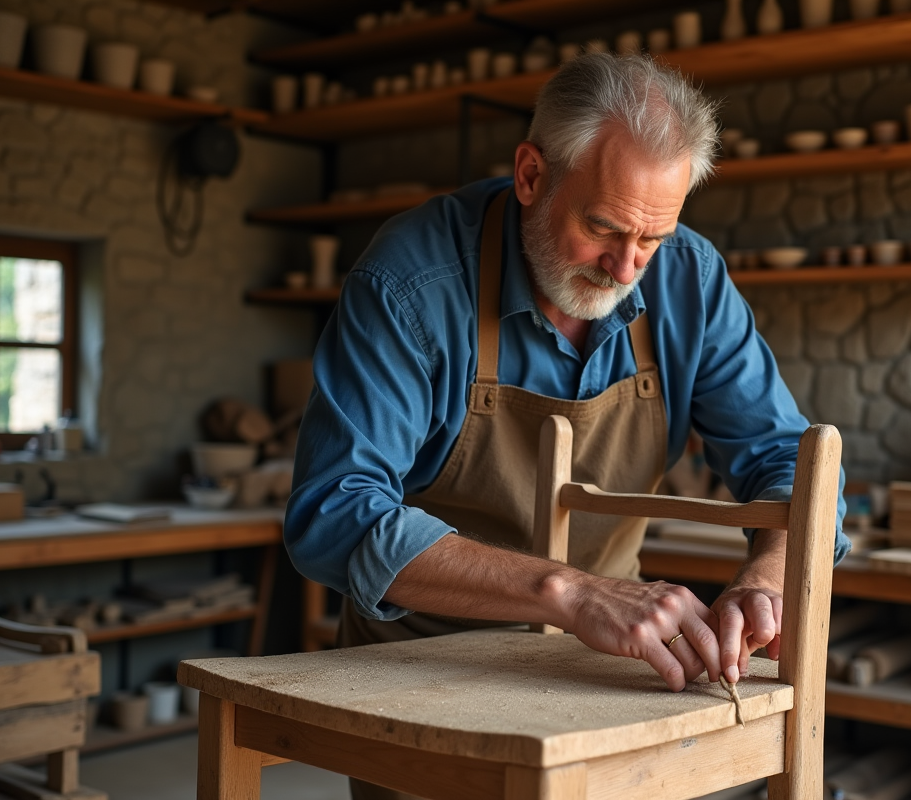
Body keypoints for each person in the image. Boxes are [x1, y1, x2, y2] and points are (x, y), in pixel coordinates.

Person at [286, 52, 849, 799]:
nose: (625, 269)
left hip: (607, 670)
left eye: (652, 239)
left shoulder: (689, 279)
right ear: (530, 175)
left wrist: (768, 577)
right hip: (422, 672)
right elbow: (333, 514)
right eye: (604, 229)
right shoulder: (411, 283)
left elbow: (787, 460)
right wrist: (568, 591)